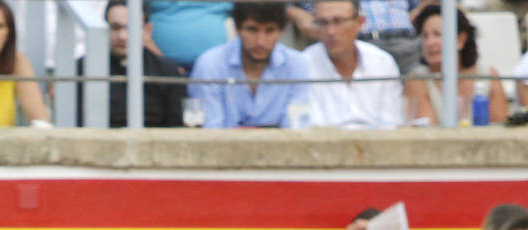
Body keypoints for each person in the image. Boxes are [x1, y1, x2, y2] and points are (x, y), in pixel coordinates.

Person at [188, 2, 312, 128]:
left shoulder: (297, 64)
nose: (260, 41)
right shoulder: (210, 64)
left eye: (270, 31)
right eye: (252, 29)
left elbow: (296, 127)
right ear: (237, 28)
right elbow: (210, 129)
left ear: (281, 31)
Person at [82, 0, 186, 127]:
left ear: (147, 30)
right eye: (115, 27)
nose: (122, 36)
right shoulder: (83, 69)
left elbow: (177, 130)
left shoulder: (168, 72)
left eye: (130, 27)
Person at [403, 3, 509, 125]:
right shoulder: (417, 79)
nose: (430, 42)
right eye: (425, 36)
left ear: (461, 40)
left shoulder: (489, 76)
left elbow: (500, 130)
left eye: (438, 34)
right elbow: (428, 135)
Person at [303, 0, 403, 129]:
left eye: (338, 21)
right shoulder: (303, 64)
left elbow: (392, 122)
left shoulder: (382, 62)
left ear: (360, 22)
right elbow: (307, 125)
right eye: (323, 23)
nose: (330, 31)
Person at [149, 0, 234, 70]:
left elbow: (244, 13)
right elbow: (138, 21)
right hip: (158, 69)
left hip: (216, 69)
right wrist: (165, 64)